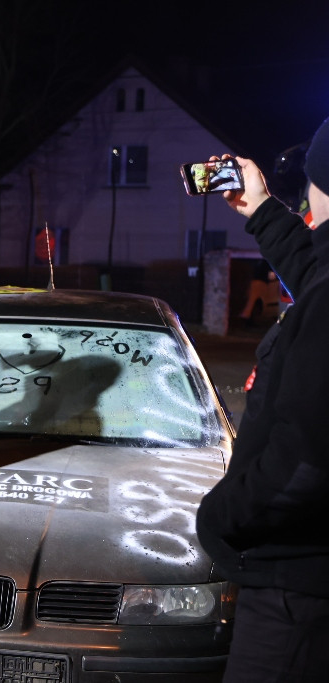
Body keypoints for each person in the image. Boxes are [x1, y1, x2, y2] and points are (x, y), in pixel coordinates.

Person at [195, 117, 329, 683]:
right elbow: (315, 271)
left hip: (295, 591)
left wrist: (221, 518)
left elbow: (304, 464)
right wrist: (262, 209)